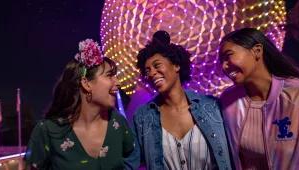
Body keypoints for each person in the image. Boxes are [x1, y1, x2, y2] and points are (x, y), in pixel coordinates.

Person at [125, 30, 233, 170]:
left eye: (157, 65)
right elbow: (131, 162)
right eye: (147, 71)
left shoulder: (212, 107)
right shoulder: (142, 117)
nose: (152, 73)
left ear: (176, 65)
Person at [218, 28, 299, 169]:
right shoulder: (228, 100)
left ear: (257, 51)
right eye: (221, 61)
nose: (224, 66)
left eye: (228, 56)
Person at [24, 39, 134, 169]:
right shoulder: (47, 131)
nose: (118, 83)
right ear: (86, 83)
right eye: (109, 76)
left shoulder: (117, 123)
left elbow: (133, 160)